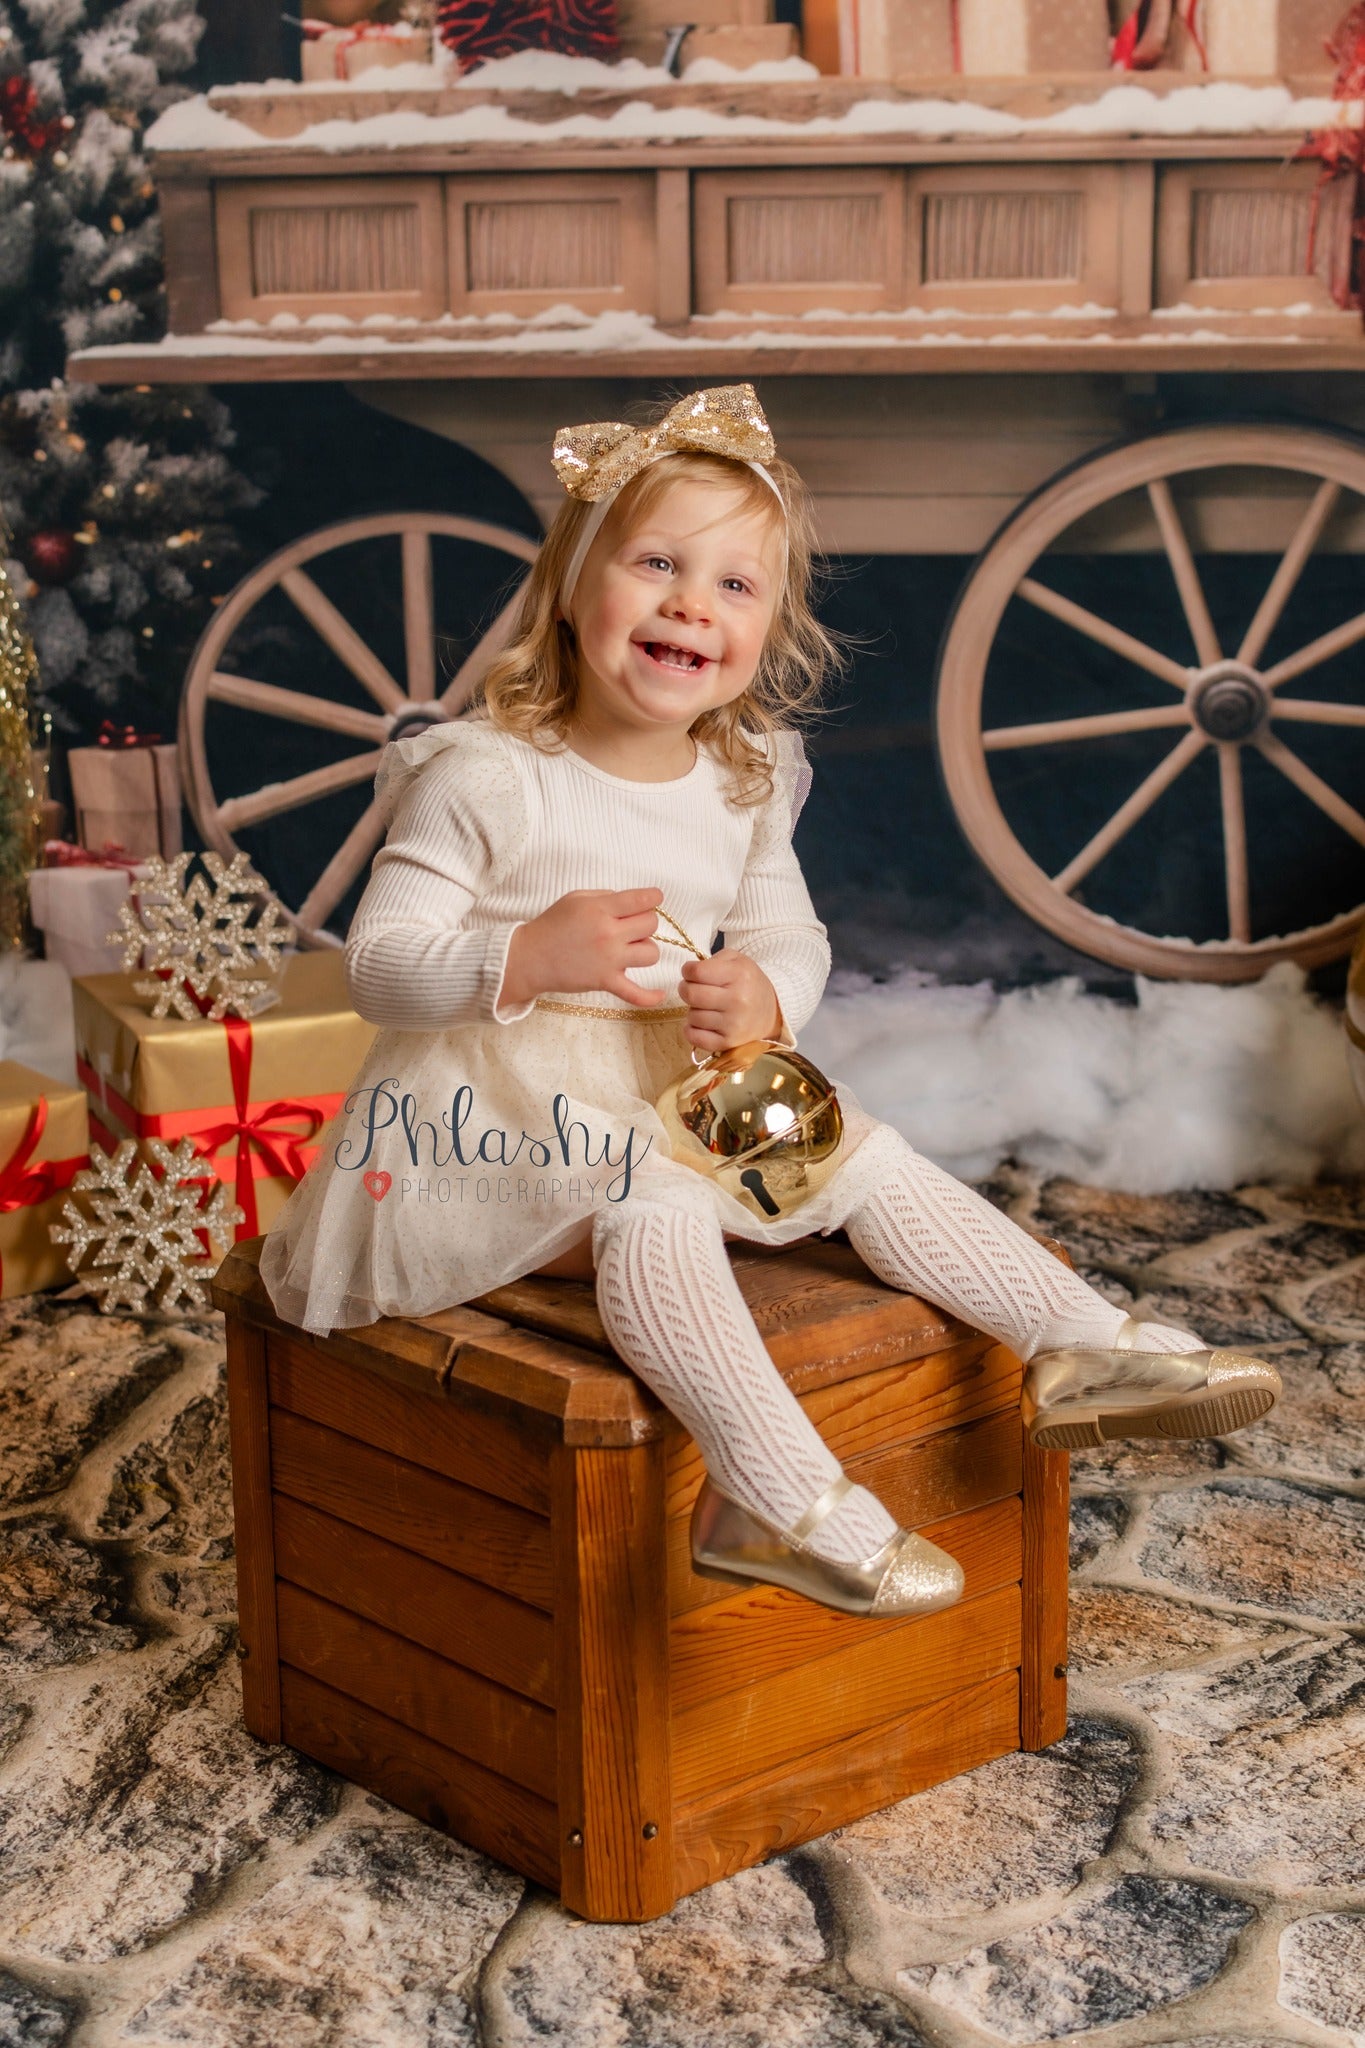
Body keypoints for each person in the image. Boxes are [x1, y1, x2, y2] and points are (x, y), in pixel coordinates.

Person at [260, 385, 1280, 1623]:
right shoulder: (487, 775)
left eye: (735, 584)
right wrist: (522, 954)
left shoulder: (740, 777)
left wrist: (768, 995)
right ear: (572, 587)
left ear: (767, 628)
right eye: (656, 563)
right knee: (655, 1199)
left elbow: (791, 931)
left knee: (856, 1154)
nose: (693, 602)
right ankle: (771, 1495)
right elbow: (376, 964)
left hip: (679, 1081)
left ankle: (1078, 1343)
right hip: (495, 1109)